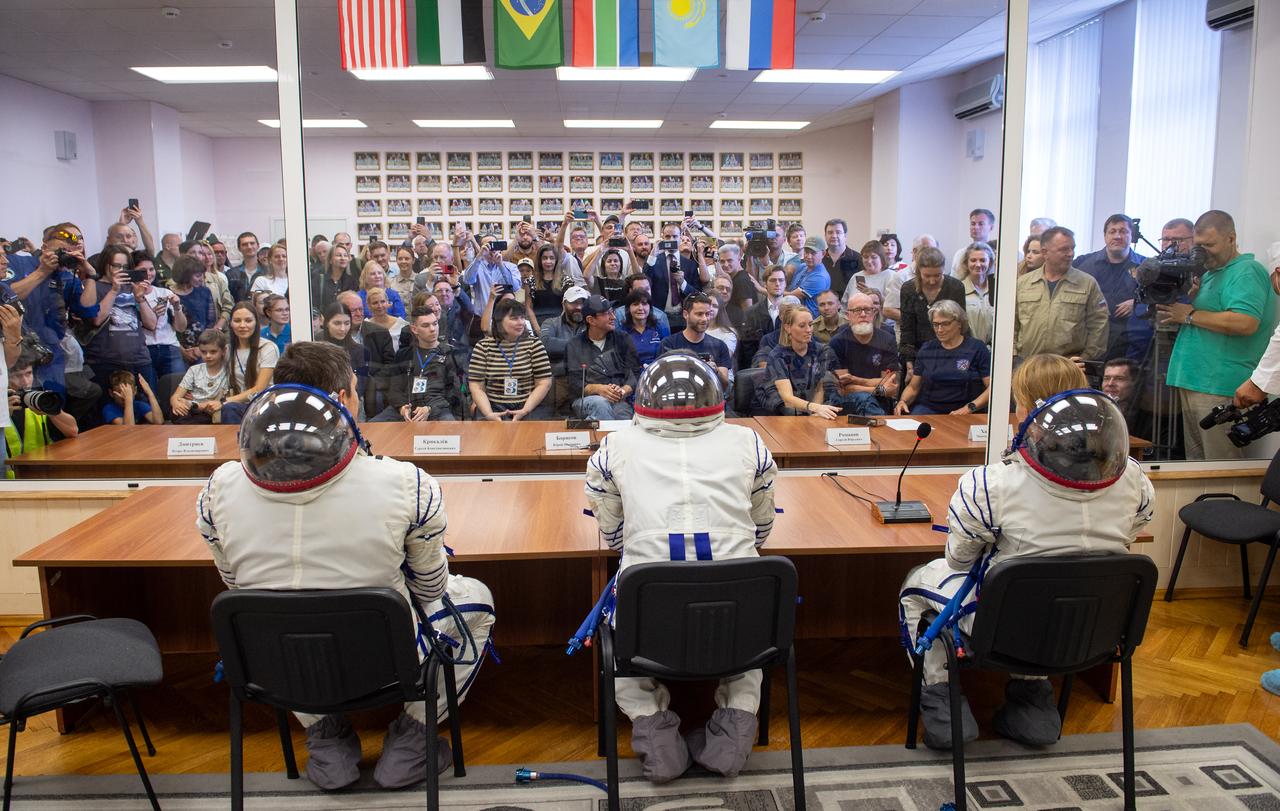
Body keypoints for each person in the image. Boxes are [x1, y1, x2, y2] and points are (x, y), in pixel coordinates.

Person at [197, 340, 494, 791]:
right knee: (475, 599)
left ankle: (326, 740)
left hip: (278, 665)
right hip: (388, 667)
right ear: (342, 400)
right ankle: (413, 740)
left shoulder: (219, 487)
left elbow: (235, 582)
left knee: (276, 614)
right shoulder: (405, 484)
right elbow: (433, 589)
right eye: (354, 388)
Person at [898, 354, 1154, 750]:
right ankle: (1033, 707)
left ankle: (943, 704)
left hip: (1004, 627)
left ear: (1029, 410)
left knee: (916, 586)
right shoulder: (1134, 478)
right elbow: (1132, 533)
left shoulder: (990, 484)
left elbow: (959, 560)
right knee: (1053, 588)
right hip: (1093, 628)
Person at [584, 353, 777, 783]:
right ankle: (733, 734)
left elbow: (613, 534)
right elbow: (762, 526)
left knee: (620, 630)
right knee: (750, 640)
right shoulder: (750, 443)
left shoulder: (613, 447)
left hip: (650, 620)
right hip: (739, 618)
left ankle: (656, 737)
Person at [1159, 210, 1274, 459]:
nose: (1203, 252)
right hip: (1194, 379)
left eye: (1210, 245)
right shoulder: (1211, 273)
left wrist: (1189, 314)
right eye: (1198, 245)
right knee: (1197, 466)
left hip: (1218, 383)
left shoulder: (1247, 271)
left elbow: (1246, 322)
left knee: (1219, 465)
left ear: (1231, 239)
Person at [1013, 226, 1110, 363]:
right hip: (1028, 364)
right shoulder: (1023, 284)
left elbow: (1099, 326)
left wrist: (1086, 358)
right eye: (1064, 249)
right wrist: (1014, 355)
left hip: (1069, 367)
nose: (1071, 253)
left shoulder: (1087, 283)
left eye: (1072, 248)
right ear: (1045, 252)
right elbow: (1012, 324)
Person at [83, 244, 158, 402]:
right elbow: (96, 319)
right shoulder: (95, 286)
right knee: (110, 414)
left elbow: (151, 324)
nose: (121, 270)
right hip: (106, 361)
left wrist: (140, 298)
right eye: (116, 266)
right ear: (106, 265)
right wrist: (114, 290)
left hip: (139, 358)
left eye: (125, 266)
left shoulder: (132, 287)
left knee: (145, 410)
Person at [896, 300, 991, 416]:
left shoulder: (976, 348)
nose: (939, 330)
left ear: (959, 323)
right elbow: (913, 387)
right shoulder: (927, 349)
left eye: (945, 324)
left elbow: (992, 388)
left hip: (966, 410)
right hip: (929, 409)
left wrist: (969, 408)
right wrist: (902, 401)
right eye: (936, 324)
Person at [1073, 214, 1149, 361]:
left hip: (1129, 345)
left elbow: (1160, 300)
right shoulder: (1082, 263)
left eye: (1123, 231)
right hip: (1087, 342)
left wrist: (1138, 303)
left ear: (1132, 236)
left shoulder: (1146, 267)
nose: (1117, 236)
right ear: (1105, 236)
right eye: (1112, 231)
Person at [467, 298, 554, 420]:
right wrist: (488, 413)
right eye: (514, 318)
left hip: (528, 405)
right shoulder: (483, 346)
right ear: (499, 322)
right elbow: (477, 386)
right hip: (492, 406)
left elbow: (544, 383)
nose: (521, 322)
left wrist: (525, 410)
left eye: (522, 318)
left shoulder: (534, 344)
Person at [375, 307, 462, 422]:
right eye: (426, 326)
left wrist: (430, 408)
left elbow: (456, 392)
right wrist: (401, 407)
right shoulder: (404, 354)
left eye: (435, 324)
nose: (433, 329)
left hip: (438, 409)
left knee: (449, 429)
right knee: (372, 429)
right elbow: (394, 389)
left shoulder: (451, 353)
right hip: (407, 408)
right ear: (414, 329)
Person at [566, 295, 642, 421]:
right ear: (591, 320)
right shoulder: (574, 345)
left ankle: (597, 435)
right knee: (600, 404)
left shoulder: (623, 339)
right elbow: (575, 383)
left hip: (619, 399)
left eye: (612, 311)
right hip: (585, 399)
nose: (613, 317)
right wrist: (599, 389)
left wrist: (622, 391)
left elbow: (635, 374)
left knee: (622, 414)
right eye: (607, 314)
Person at [753, 306, 837, 418]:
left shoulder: (822, 351)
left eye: (811, 324)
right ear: (787, 327)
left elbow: (820, 388)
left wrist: (815, 412)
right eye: (802, 326)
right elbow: (787, 399)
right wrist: (815, 408)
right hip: (782, 412)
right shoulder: (778, 355)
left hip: (813, 409)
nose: (808, 330)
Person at [828, 292, 901, 415]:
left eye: (867, 310)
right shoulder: (837, 342)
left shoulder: (887, 340)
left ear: (874, 313)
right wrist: (881, 389)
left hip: (881, 401)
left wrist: (856, 380)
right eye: (857, 310)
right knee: (863, 398)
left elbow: (890, 383)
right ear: (847, 315)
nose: (863, 314)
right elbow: (844, 389)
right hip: (849, 402)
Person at [6, 353, 79, 476]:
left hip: (39, 476)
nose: (25, 382)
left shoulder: (38, 399)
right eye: (17, 376)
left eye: (28, 374)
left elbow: (72, 431)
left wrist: (52, 411)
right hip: (7, 484)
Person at [898, 246, 966, 372]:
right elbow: (907, 329)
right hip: (918, 353)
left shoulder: (955, 287)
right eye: (927, 275)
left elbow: (961, 325)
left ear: (944, 269)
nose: (932, 280)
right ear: (919, 271)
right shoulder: (908, 289)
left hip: (950, 351)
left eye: (937, 275)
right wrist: (909, 362)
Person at [660, 294, 733, 391]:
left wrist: (715, 371)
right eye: (699, 314)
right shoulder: (669, 344)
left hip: (709, 398)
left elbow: (724, 386)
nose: (704, 319)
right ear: (686, 314)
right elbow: (662, 381)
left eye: (707, 314)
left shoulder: (719, 346)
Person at [221, 302, 277, 424]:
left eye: (248, 320)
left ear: (256, 322)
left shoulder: (268, 347)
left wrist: (225, 401)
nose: (242, 325)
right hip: (237, 404)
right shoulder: (227, 350)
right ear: (230, 323)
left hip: (263, 405)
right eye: (237, 321)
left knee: (229, 408)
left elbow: (259, 388)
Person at [136, 251, 187, 380]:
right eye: (143, 270)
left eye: (151, 269)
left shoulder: (164, 292)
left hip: (169, 346)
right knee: (150, 391)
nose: (148, 274)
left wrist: (177, 307)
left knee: (176, 387)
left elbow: (181, 328)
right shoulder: (129, 296)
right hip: (144, 349)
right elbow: (149, 324)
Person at [170, 328, 229, 424]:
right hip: (192, 409)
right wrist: (175, 402)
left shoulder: (229, 371)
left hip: (211, 412)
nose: (208, 356)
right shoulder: (194, 370)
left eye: (213, 352)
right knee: (177, 412)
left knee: (208, 418)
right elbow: (176, 396)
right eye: (203, 352)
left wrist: (202, 406)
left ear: (223, 351)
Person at [171, 255, 218, 366]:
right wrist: (182, 350)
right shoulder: (168, 294)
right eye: (198, 276)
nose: (202, 279)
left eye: (202, 275)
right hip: (176, 348)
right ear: (185, 275)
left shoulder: (205, 292)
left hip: (203, 348)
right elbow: (167, 327)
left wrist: (201, 348)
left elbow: (210, 323)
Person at [740, 265, 787, 366]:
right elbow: (748, 347)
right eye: (773, 280)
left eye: (781, 280)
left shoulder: (795, 312)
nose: (777, 284)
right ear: (765, 284)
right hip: (759, 367)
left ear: (785, 283)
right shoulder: (751, 313)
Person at [1102, 357, 1151, 441]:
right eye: (1106, 378)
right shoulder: (1093, 412)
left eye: (1119, 379)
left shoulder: (1147, 420)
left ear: (1134, 383)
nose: (1110, 384)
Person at [956, 242, 996, 345]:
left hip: (995, 350)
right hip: (968, 350)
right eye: (973, 260)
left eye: (983, 260)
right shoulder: (958, 289)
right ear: (966, 263)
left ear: (990, 263)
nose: (978, 265)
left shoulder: (997, 289)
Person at [787, 237, 833, 318]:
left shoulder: (820, 277)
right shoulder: (802, 266)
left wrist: (764, 290)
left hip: (808, 320)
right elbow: (791, 289)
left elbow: (792, 296)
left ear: (823, 253)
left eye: (813, 253)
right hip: (793, 315)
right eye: (806, 252)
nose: (808, 256)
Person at [620, 290, 667, 366]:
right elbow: (622, 360)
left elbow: (667, 355)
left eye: (644, 304)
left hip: (658, 370)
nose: (640, 308)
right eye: (635, 304)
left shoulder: (660, 327)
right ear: (628, 308)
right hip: (633, 373)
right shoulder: (622, 331)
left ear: (650, 307)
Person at [949, 209, 998, 276]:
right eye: (973, 224)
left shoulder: (997, 254)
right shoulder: (960, 254)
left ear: (991, 227)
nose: (976, 227)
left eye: (981, 224)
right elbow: (955, 279)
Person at [312, 243, 358, 311]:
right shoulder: (319, 280)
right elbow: (313, 305)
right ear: (330, 260)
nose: (343, 258)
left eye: (345, 255)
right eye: (339, 255)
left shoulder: (352, 281)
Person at [821, 218, 861, 293]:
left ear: (845, 236)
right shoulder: (819, 259)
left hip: (848, 303)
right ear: (825, 236)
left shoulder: (858, 259)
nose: (834, 235)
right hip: (823, 303)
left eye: (838, 232)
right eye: (830, 232)